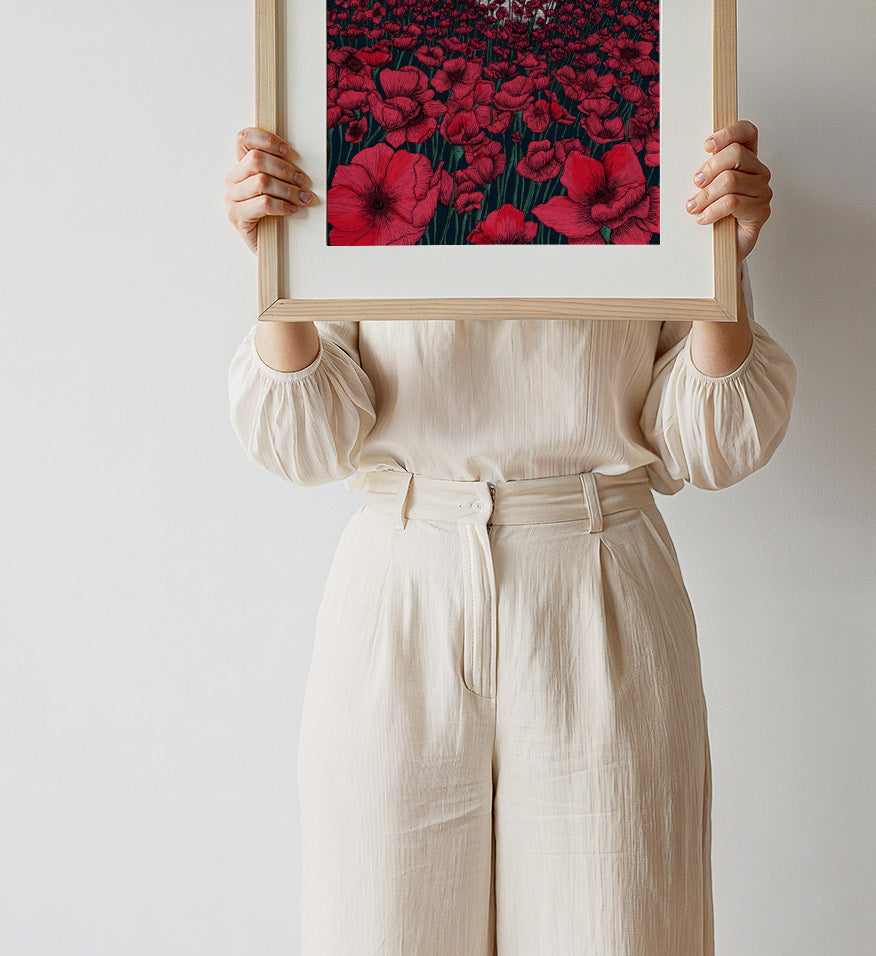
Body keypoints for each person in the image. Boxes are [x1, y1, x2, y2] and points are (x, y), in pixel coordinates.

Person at [225, 119, 796, 955]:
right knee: (376, 931)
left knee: (617, 931)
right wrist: (281, 268)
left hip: (599, 570)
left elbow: (711, 444)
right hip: (400, 583)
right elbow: (309, 442)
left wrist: (721, 266)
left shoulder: (655, 113)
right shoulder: (357, 113)